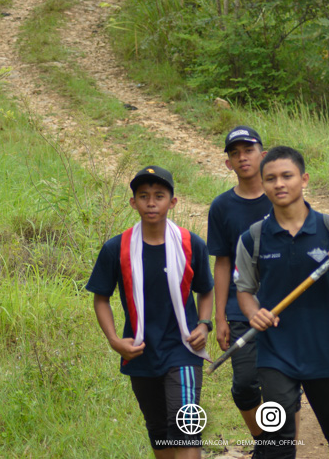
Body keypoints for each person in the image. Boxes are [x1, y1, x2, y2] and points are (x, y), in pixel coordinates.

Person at [236, 146, 329, 459]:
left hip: (324, 351)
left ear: (303, 179)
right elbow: (245, 290)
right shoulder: (253, 238)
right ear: (263, 184)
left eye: (287, 176)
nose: (279, 184)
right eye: (271, 178)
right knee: (278, 436)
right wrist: (254, 314)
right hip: (275, 352)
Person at [87, 165, 214, 459]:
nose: (151, 203)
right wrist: (114, 340)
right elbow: (101, 298)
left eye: (159, 196)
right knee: (159, 433)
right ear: (133, 203)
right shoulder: (116, 248)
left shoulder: (190, 244)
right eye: (143, 196)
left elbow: (205, 289)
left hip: (183, 350)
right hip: (141, 352)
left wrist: (204, 324)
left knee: (185, 428)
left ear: (173, 202)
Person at [207, 126, 271, 455]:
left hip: (282, 306)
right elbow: (222, 262)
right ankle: (263, 441)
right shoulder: (222, 206)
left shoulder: (281, 196)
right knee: (245, 385)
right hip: (238, 309)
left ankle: (282, 449)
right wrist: (219, 317)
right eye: (235, 153)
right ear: (228, 163)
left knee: (283, 387)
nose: (242, 157)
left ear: (263, 154)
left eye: (248, 150)